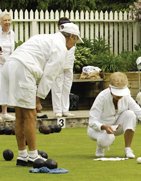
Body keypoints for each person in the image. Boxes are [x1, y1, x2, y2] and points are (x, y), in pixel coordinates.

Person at [0, 22, 83, 166]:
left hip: (9, 67)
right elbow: (49, 76)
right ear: (71, 36)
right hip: (23, 69)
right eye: (75, 41)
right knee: (30, 114)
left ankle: (22, 155)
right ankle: (33, 155)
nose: (74, 45)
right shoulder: (60, 48)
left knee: (20, 114)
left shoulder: (45, 38)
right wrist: (38, 100)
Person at [88, 72, 141, 157]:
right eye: (117, 91)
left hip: (116, 127)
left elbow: (140, 112)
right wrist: (104, 127)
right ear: (110, 88)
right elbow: (92, 122)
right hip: (97, 130)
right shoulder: (102, 97)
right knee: (107, 139)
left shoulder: (126, 96)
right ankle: (100, 146)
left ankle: (128, 149)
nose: (120, 95)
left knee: (131, 114)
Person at [51, 17, 76, 117]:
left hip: (69, 65)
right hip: (59, 65)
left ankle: (65, 109)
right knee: (57, 87)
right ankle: (57, 110)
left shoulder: (72, 36)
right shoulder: (56, 38)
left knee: (67, 87)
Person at [0, 12, 15, 121]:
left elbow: (12, 49)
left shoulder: (12, 33)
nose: (7, 22)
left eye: (9, 20)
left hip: (8, 64)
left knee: (5, 87)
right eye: (5, 20)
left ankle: (4, 113)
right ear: (1, 22)